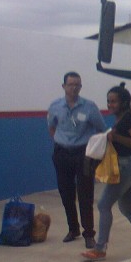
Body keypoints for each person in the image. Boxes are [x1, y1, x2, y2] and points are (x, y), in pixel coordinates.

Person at [81, 83, 131, 261]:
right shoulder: (122, 117)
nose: (110, 105)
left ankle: (100, 249)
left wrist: (115, 137)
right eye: (108, 101)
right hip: (129, 166)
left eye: (113, 101)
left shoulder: (128, 118)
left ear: (124, 102)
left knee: (104, 205)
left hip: (126, 166)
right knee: (126, 207)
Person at [48, 72, 106, 248]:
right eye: (71, 84)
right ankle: (72, 229)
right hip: (62, 154)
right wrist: (62, 143)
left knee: (85, 194)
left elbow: (101, 129)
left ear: (81, 87)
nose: (74, 88)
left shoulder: (89, 107)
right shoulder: (55, 106)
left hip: (83, 155)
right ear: (64, 86)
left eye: (77, 85)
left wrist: (91, 150)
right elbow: (52, 127)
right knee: (66, 193)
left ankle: (89, 234)